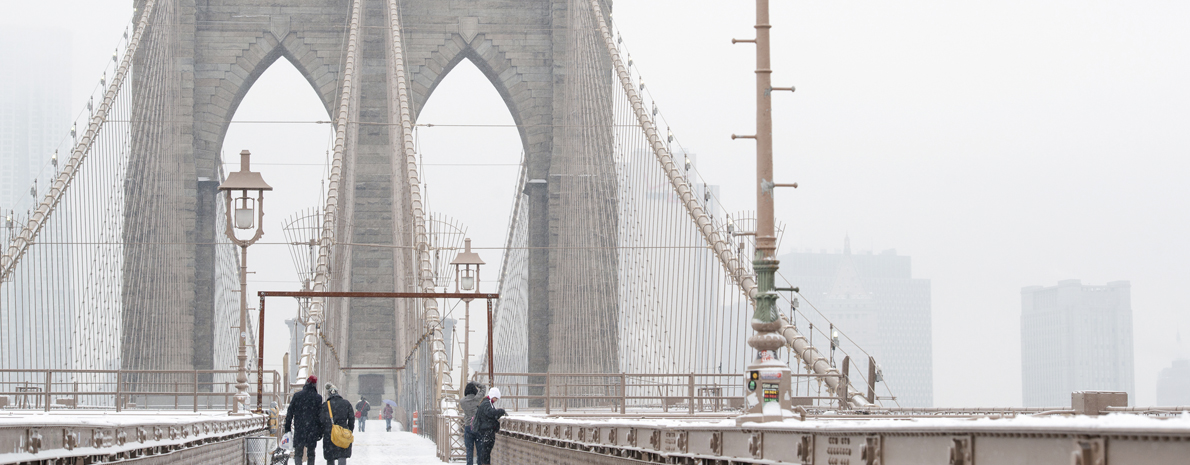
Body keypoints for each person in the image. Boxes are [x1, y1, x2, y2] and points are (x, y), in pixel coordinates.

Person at [283, 376, 322, 465]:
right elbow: (320, 416)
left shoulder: (297, 396)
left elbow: (290, 412)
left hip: (299, 428)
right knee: (311, 453)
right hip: (312, 429)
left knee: (298, 452)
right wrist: (320, 431)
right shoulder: (318, 398)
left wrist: (287, 428)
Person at [319, 383, 355, 465]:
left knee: (330, 456)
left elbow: (321, 420)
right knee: (342, 455)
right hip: (343, 432)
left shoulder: (325, 405)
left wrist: (322, 432)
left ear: (329, 394)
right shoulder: (346, 403)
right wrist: (349, 430)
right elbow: (351, 418)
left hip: (329, 433)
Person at [473, 387, 507, 465]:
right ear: (492, 396)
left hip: (485, 432)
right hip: (486, 432)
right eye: (496, 398)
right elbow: (491, 413)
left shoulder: (486, 403)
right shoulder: (486, 404)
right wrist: (500, 411)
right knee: (485, 453)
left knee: (485, 453)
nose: (496, 400)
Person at [460, 382, 486, 465]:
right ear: (474, 390)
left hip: (468, 427)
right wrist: (475, 383)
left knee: (469, 451)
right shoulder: (477, 399)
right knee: (480, 451)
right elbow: (483, 387)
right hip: (478, 427)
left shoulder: (462, 401)